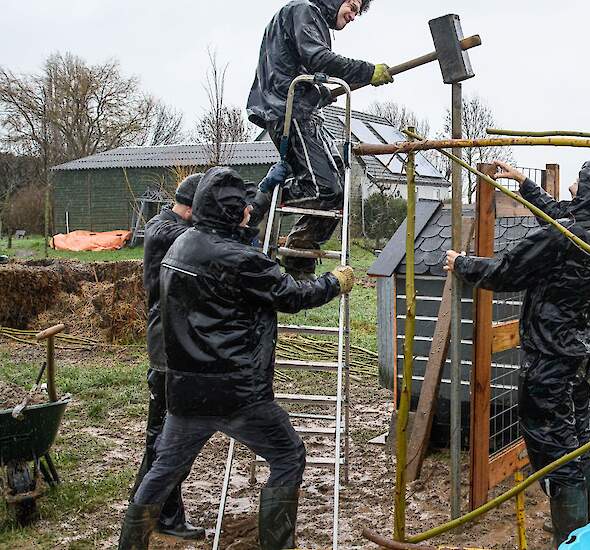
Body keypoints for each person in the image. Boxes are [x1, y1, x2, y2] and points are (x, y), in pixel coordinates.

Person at [119, 167, 355, 550]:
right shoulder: (242, 259)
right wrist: (334, 282)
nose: (249, 209)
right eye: (244, 206)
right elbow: (292, 296)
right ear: (232, 213)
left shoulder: (182, 244)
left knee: (162, 470)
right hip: (236, 391)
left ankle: (129, 545)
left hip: (185, 390)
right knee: (288, 455)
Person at [445, 160, 590, 548]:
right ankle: (578, 529)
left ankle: (569, 538)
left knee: (556, 451)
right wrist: (523, 181)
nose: (573, 184)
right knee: (579, 441)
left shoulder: (563, 237)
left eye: (579, 181)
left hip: (551, 360)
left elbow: (507, 272)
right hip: (580, 355)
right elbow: (561, 214)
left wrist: (461, 263)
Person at [247, 0, 393, 280]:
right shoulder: (304, 10)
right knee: (325, 189)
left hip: (302, 109)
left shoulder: (306, 18)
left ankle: (300, 255)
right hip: (289, 110)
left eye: (357, 11)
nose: (352, 15)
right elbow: (317, 58)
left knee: (338, 190)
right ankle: (257, 202)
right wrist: (367, 70)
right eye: (351, 5)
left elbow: (296, 66)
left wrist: (320, 93)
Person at [128, 173, 204, 541]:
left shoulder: (177, 226)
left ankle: (163, 515)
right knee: (162, 440)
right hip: (166, 348)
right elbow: (208, 240)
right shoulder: (164, 231)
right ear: (191, 207)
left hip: (175, 343)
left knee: (165, 440)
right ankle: (148, 514)